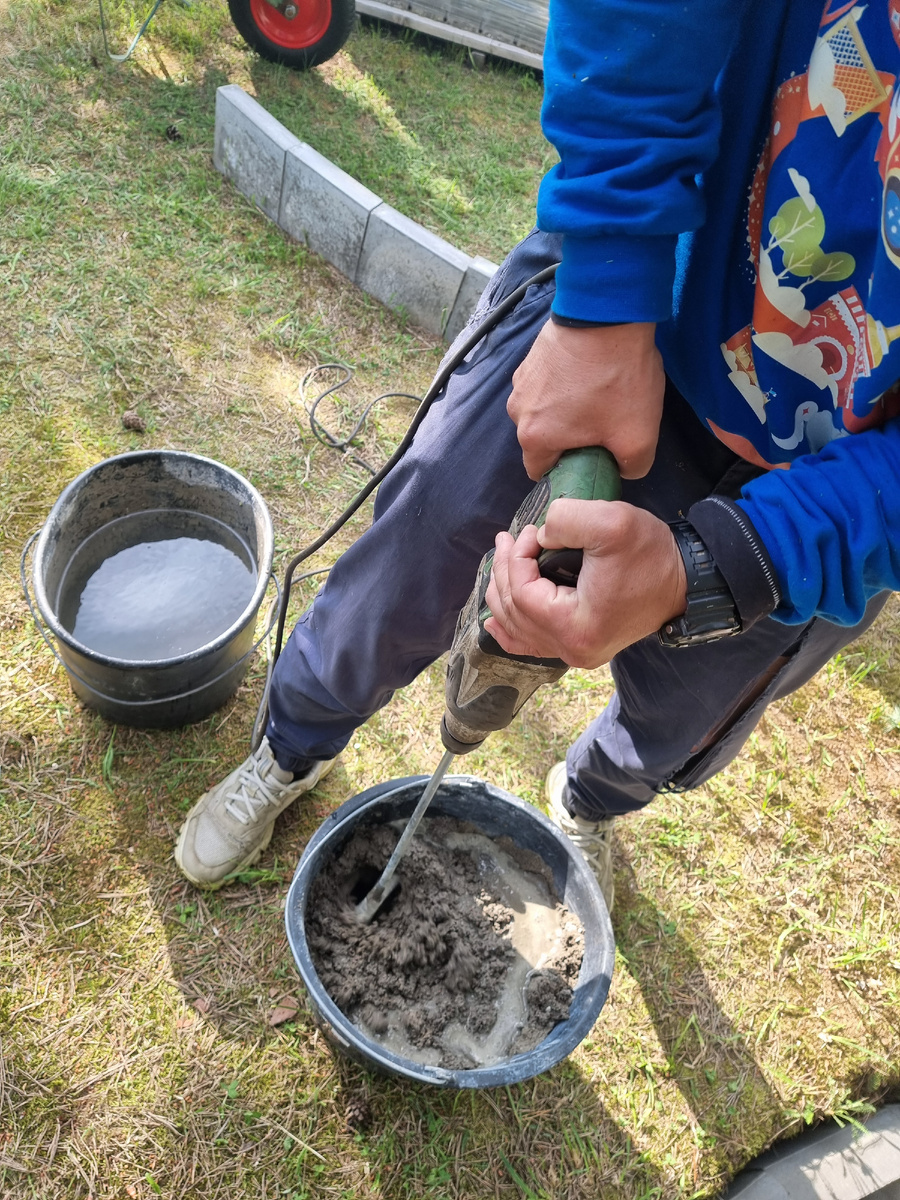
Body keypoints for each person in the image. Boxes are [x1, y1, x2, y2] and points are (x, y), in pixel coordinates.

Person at [175, 0, 900, 908]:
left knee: (681, 713)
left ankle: (589, 800)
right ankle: (293, 744)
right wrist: (607, 291)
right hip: (638, 307)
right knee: (413, 553)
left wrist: (723, 566)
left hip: (835, 488)